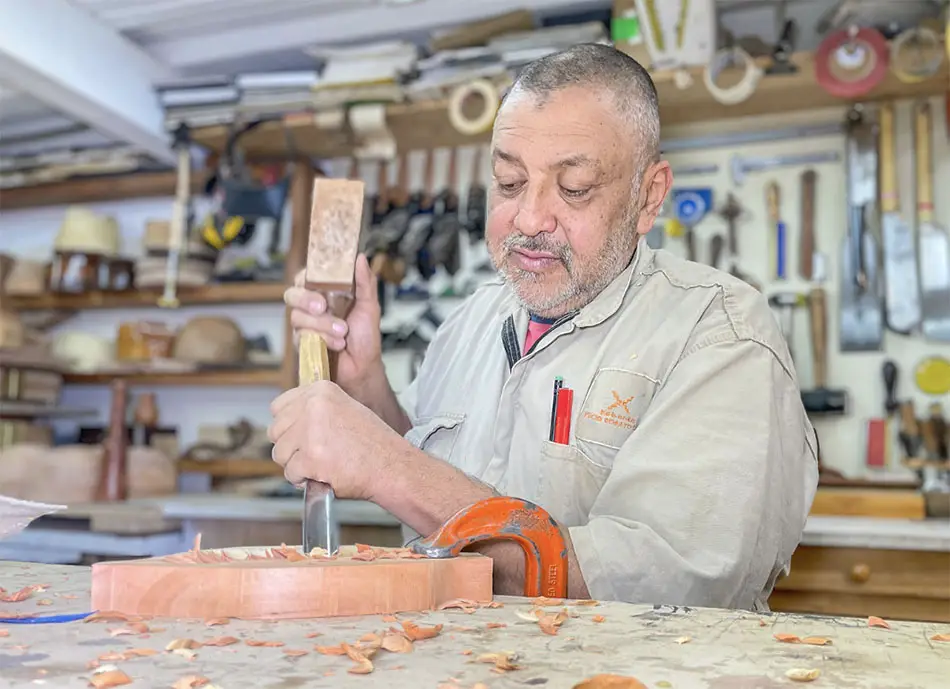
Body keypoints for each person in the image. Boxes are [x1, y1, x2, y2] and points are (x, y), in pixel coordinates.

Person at [270, 43, 819, 611]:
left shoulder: (719, 335)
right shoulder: (473, 318)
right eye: (509, 183)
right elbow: (428, 465)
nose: (529, 219)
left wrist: (388, 467)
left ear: (647, 197)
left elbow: (665, 588)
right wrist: (365, 385)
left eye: (574, 188)